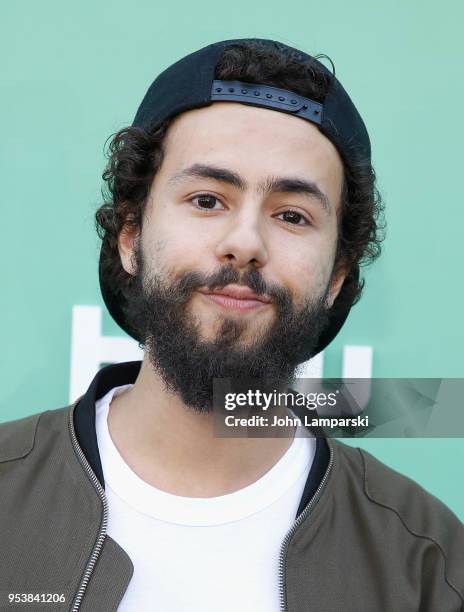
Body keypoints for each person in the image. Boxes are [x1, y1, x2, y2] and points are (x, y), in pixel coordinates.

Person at [1, 38, 463, 612]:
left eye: (292, 215)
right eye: (206, 199)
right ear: (130, 236)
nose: (244, 244)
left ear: (338, 276)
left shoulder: (428, 562)